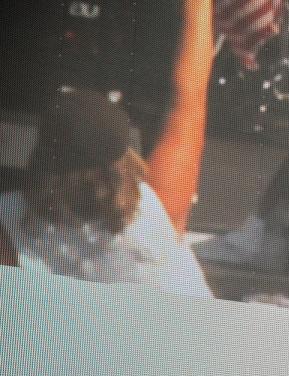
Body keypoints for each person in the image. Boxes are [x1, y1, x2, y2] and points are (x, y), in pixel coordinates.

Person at [0, 0, 215, 298]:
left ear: (40, 155)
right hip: (184, 327)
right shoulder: (159, 209)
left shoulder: (8, 223)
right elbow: (189, 98)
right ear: (127, 156)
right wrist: (200, 7)